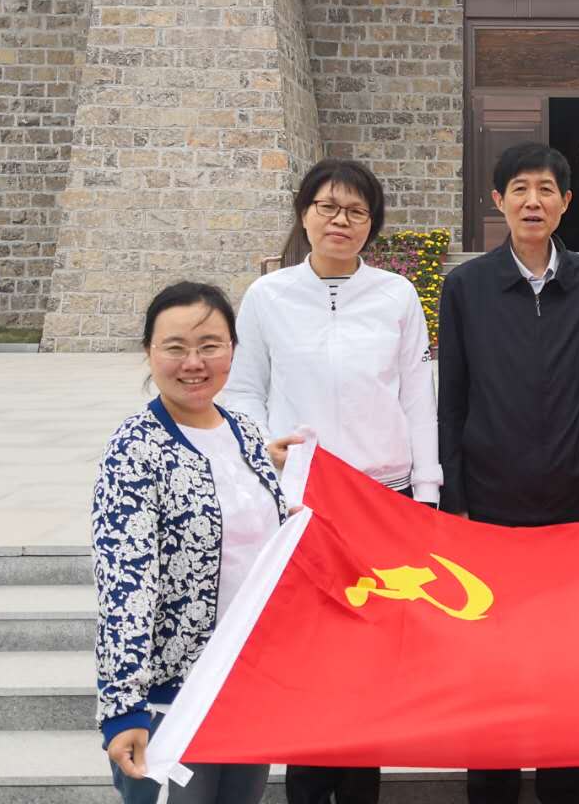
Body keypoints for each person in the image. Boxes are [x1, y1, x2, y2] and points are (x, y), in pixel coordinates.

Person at [220, 157, 441, 804]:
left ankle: (362, 790)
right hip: (301, 504)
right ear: (305, 213)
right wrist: (264, 450)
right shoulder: (269, 296)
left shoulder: (396, 295)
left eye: (356, 211)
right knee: (309, 657)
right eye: (328, 207)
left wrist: (426, 492)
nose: (341, 221)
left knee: (370, 661)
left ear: (372, 223)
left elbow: (416, 396)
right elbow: (245, 389)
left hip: (381, 499)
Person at [437, 142, 579, 804]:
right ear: (498, 200)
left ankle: (564, 788)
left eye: (546, 190)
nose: (532, 201)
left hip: (573, 506)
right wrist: (455, 497)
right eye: (519, 189)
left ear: (565, 202)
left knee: (567, 665)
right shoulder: (466, 285)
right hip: (490, 507)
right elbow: (452, 398)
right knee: (493, 665)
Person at [93, 281, 289, 804]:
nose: (194, 363)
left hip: (246, 686)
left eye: (210, 345)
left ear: (233, 350)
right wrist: (123, 708)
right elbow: (125, 584)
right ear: (149, 352)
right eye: (175, 347)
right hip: (172, 700)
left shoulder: (246, 434)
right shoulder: (135, 449)